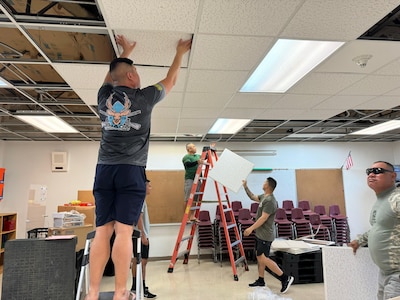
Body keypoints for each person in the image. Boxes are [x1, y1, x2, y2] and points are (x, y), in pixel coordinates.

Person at [86, 34, 191, 300]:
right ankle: (122, 292)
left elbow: (111, 76)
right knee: (123, 231)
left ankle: (93, 292)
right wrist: (179, 52)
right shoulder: (144, 98)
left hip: (104, 169)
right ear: (132, 77)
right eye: (136, 72)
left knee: (102, 232)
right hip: (131, 171)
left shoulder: (102, 98)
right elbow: (172, 79)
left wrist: (126, 52)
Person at [348, 161, 400, 300]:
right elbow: (380, 227)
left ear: (393, 176)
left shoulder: (397, 198)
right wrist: (360, 240)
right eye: (369, 171)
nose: (371, 174)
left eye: (378, 171)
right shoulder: (381, 199)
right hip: (385, 272)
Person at [242, 177, 294, 294]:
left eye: (264, 181)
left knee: (263, 258)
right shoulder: (264, 197)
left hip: (265, 235)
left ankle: (285, 277)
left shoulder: (270, 201)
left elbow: (264, 218)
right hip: (260, 234)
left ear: (268, 185)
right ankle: (261, 280)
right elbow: (252, 197)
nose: (263, 182)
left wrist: (250, 228)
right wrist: (245, 186)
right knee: (260, 257)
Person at [131, 178, 156, 298]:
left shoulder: (139, 199)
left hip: (137, 235)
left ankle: (137, 287)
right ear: (144, 187)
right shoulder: (140, 199)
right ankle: (140, 287)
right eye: (149, 186)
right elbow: (138, 218)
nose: (151, 188)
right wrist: (143, 235)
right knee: (142, 261)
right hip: (140, 235)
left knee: (138, 260)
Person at [182, 143, 204, 222]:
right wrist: (196, 162)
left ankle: (192, 216)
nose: (195, 148)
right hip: (190, 179)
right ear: (189, 149)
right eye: (193, 147)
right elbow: (188, 164)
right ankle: (186, 217)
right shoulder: (187, 157)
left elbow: (205, 157)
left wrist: (211, 149)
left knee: (194, 199)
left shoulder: (198, 156)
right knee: (188, 199)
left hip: (197, 179)